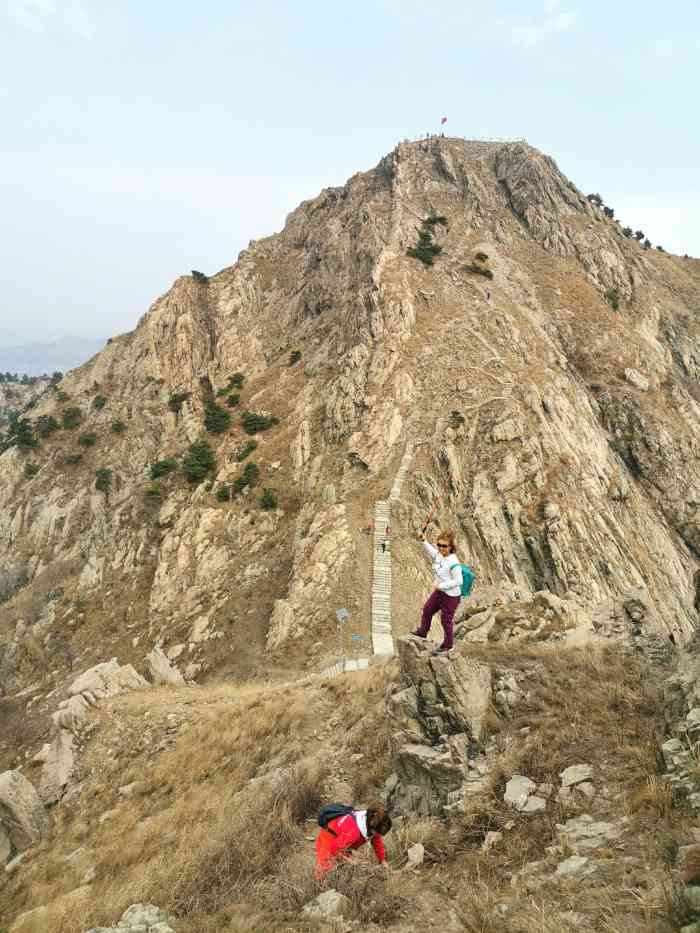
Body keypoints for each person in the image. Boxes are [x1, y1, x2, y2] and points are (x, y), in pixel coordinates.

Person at [411, 529, 462, 654]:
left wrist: (442, 586)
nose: (441, 548)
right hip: (440, 593)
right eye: (439, 545)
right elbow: (433, 553)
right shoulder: (440, 555)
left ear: (451, 547)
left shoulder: (454, 562)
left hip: (451, 596)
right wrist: (424, 541)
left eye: (444, 546)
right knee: (427, 610)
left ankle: (448, 645)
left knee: (446, 620)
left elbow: (459, 581)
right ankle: (423, 632)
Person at [315, 806, 392, 880]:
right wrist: (350, 861)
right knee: (325, 867)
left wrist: (382, 860)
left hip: (343, 841)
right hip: (328, 837)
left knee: (342, 864)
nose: (377, 836)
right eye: (377, 833)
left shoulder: (371, 821)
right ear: (373, 828)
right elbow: (334, 849)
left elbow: (376, 840)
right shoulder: (353, 832)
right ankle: (319, 886)